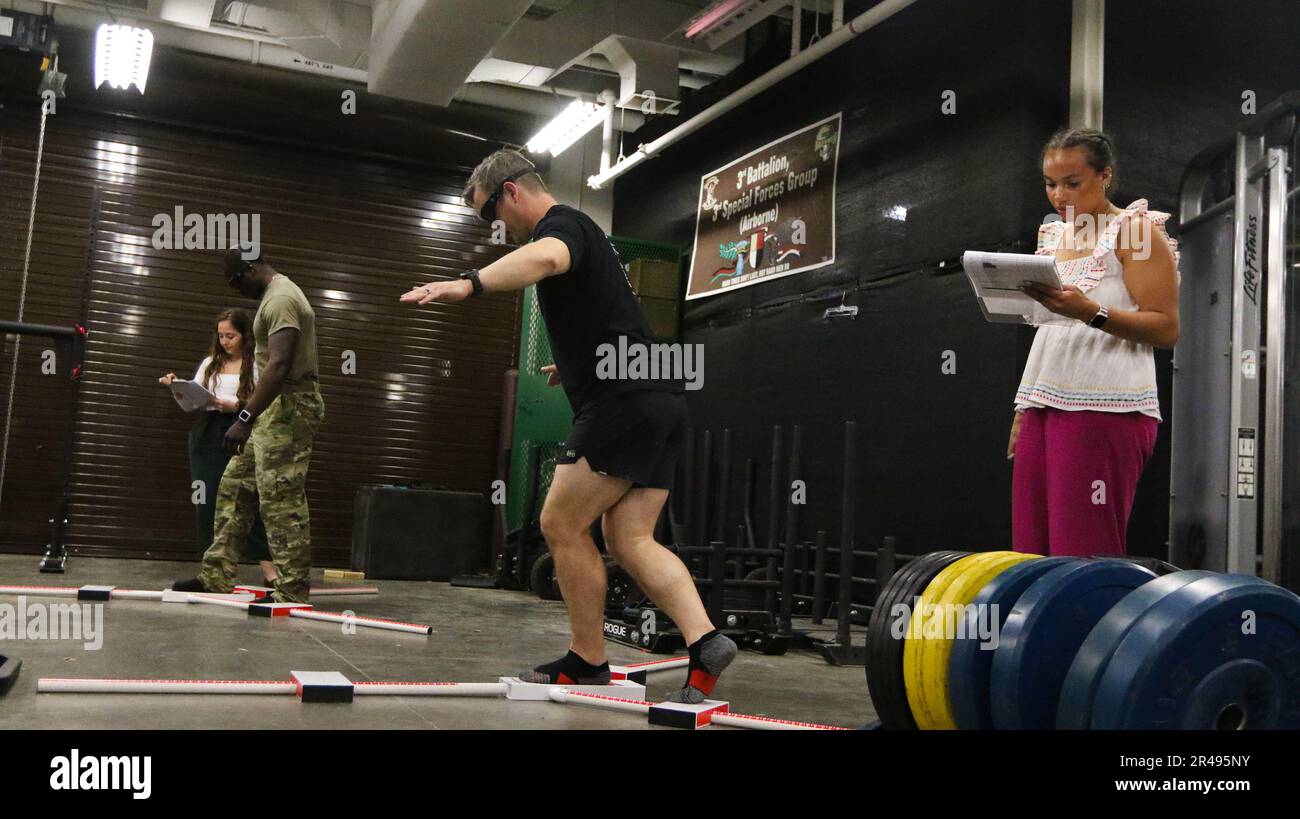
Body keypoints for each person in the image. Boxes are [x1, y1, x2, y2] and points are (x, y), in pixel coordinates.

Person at [400, 149, 736, 703]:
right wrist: (581, 362)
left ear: (512, 192)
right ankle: (705, 642)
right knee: (628, 537)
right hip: (657, 400)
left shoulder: (560, 228)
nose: (496, 229)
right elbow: (610, 313)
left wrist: (468, 283)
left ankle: (586, 661)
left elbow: (547, 260)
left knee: (559, 522)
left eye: (490, 215)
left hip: (622, 407)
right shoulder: (589, 232)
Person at [1010, 128, 1181, 556]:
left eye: (1072, 183)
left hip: (1107, 404)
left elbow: (1165, 328)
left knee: (1082, 550)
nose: (1058, 196)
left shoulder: (1135, 231)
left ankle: (1093, 624)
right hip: (1044, 405)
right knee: (1030, 549)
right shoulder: (1052, 238)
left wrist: (1090, 311)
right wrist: (1023, 408)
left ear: (1105, 175)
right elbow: (1049, 331)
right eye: (1050, 184)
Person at [173, 247, 324, 603]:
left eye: (237, 281)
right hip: (275, 407)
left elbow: (280, 364)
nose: (237, 290)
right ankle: (217, 574)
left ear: (252, 267)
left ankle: (292, 589)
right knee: (234, 486)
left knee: (280, 497)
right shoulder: (274, 297)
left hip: (290, 406)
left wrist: (244, 417)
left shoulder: (282, 299)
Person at [158, 309, 273, 584]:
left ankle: (272, 574)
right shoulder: (209, 363)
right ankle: (211, 573)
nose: (225, 341)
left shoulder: (256, 364)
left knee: (246, 500)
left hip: (241, 429)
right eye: (221, 335)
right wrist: (176, 387)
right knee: (206, 501)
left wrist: (235, 405)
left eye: (230, 335)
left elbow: (266, 402)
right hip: (207, 431)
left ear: (245, 336)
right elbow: (192, 401)